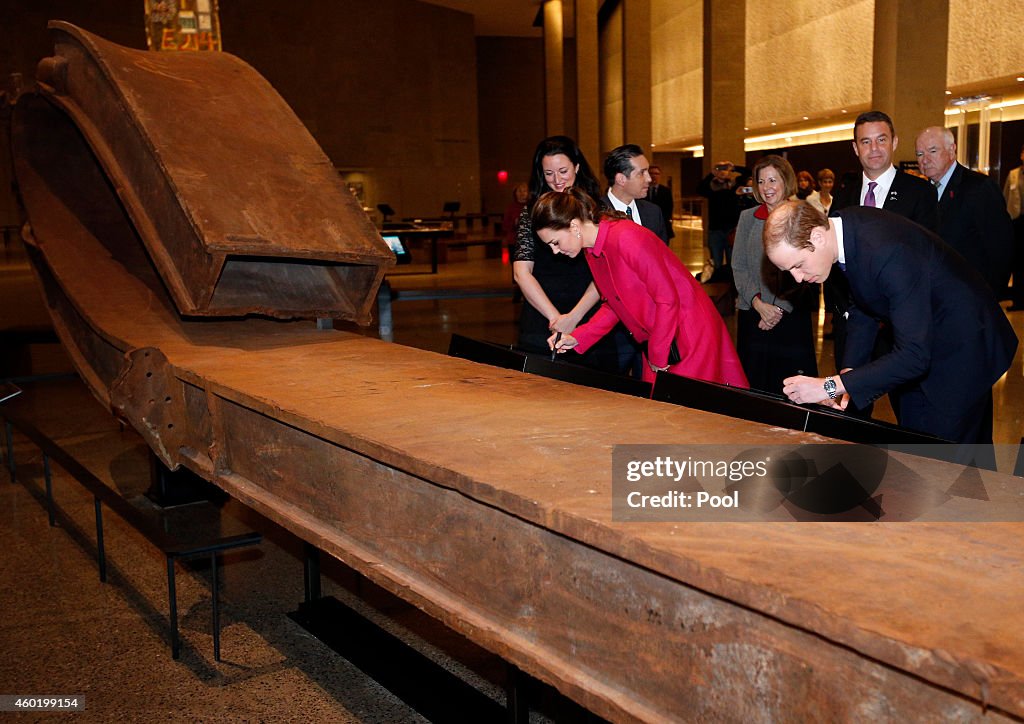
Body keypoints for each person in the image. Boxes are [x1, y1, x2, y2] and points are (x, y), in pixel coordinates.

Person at [764, 200, 1017, 452]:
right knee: (914, 439)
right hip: (924, 337)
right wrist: (848, 375)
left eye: (797, 265)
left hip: (963, 347)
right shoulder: (844, 231)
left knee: (950, 457)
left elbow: (915, 355)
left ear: (817, 236)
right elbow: (864, 305)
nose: (797, 278)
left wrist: (829, 385)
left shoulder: (887, 251)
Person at [532, 188, 748, 387]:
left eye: (555, 242)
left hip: (688, 335)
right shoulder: (592, 250)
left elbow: (667, 298)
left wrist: (657, 353)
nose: (554, 251)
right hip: (662, 338)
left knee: (691, 415)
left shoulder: (626, 237)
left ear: (574, 226)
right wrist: (579, 337)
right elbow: (616, 304)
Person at [828, 110, 939, 388]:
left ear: (894, 142)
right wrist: (839, 309)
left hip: (899, 328)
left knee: (907, 410)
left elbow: (926, 260)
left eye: (881, 139)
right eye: (865, 142)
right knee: (850, 407)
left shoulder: (919, 193)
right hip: (852, 325)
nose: (874, 149)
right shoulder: (843, 195)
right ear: (855, 148)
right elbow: (831, 256)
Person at [512, 136, 621, 372]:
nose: (557, 180)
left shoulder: (597, 208)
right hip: (542, 312)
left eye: (563, 171)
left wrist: (574, 316)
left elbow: (607, 270)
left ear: (577, 167)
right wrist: (556, 319)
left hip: (590, 312)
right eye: (548, 173)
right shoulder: (532, 211)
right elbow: (522, 273)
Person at [732, 156, 817, 393]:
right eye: (761, 181)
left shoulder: (802, 215)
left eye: (773, 180)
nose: (767, 187)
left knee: (791, 386)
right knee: (755, 381)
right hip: (754, 313)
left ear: (786, 181)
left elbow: (807, 266)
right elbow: (738, 265)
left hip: (789, 315)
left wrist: (777, 308)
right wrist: (758, 303)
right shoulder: (748, 218)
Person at [914, 126, 1013, 295]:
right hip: (932, 296)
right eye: (920, 154)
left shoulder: (979, 188)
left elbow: (1001, 248)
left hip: (972, 296)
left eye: (932, 151)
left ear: (951, 150)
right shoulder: (920, 192)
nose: (925, 160)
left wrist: (989, 297)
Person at [603, 144, 670, 244]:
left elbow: (662, 256)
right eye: (641, 173)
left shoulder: (653, 213)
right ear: (621, 179)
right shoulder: (593, 214)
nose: (649, 179)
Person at [697, 160, 749, 269]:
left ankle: (729, 282)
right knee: (717, 262)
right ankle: (717, 281)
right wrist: (712, 174)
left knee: (732, 262)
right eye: (719, 169)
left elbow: (748, 172)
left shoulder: (734, 185)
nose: (722, 172)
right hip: (715, 230)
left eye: (725, 169)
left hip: (731, 229)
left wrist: (734, 167)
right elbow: (700, 188)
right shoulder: (711, 188)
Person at [1002, 143, 1024, 311]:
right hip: (1017, 222)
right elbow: (1006, 196)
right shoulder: (1014, 174)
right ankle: (1018, 300)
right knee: (1017, 263)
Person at [646, 164, 675, 239]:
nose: (653, 176)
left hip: (663, 225)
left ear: (660, 175)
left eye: (656, 174)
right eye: (651, 173)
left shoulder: (666, 191)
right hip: (646, 225)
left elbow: (669, 207)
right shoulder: (643, 190)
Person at [502, 182, 529, 255]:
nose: (522, 193)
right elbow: (505, 226)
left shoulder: (532, 206)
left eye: (524, 191)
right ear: (515, 193)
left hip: (529, 242)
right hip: (514, 241)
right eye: (519, 191)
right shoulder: (510, 208)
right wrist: (515, 223)